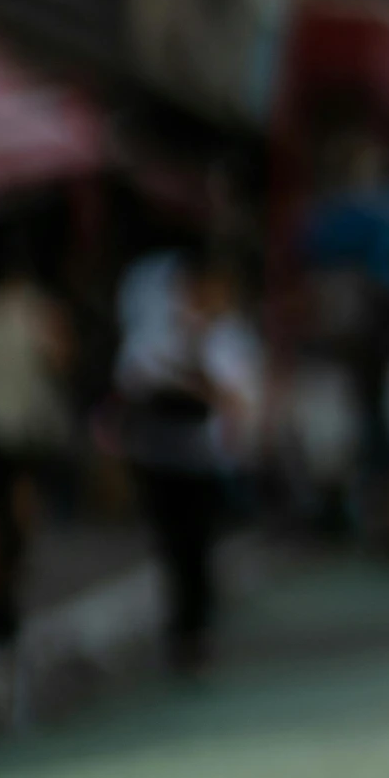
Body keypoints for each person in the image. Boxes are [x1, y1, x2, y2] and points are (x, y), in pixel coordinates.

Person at [113, 243, 261, 673]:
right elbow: (131, 381)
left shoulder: (225, 336)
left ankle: (198, 629)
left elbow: (233, 397)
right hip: (157, 457)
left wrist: (188, 381)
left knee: (197, 545)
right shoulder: (154, 332)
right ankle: (180, 630)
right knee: (171, 545)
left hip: (200, 456)